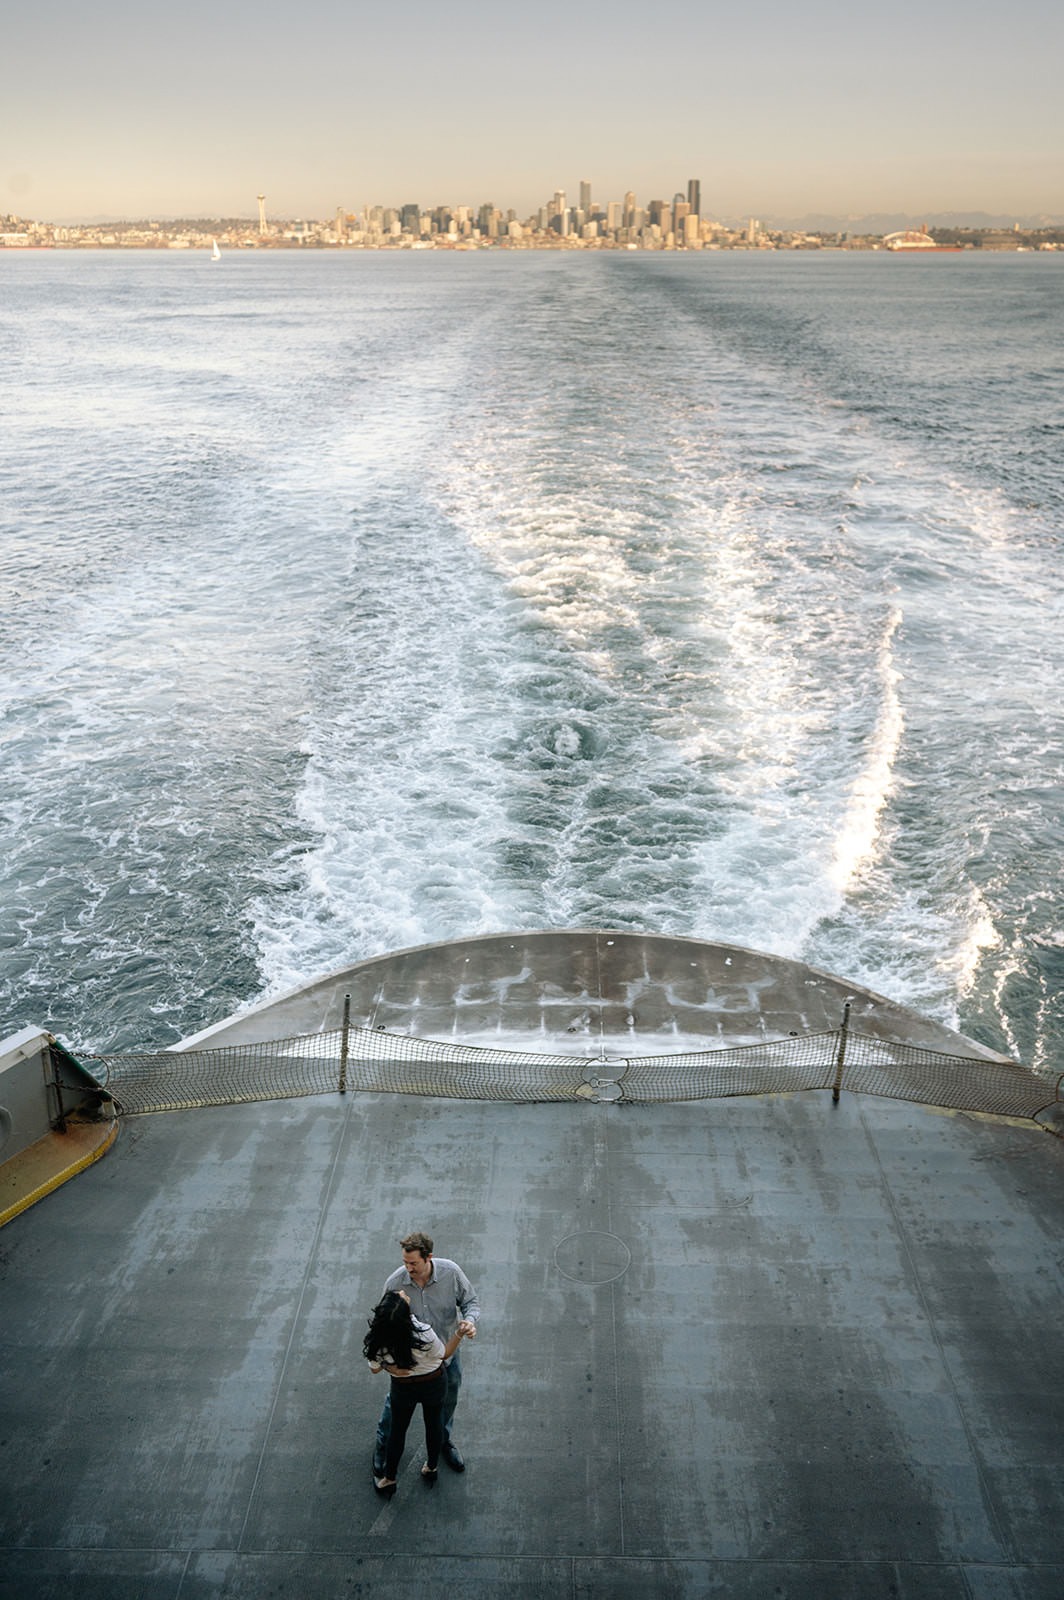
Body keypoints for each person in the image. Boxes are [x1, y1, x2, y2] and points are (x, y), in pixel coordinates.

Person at [373, 1231, 480, 1476]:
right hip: (409, 1365)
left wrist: (469, 1321)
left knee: (448, 1400)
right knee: (394, 1407)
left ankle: (443, 1441)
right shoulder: (395, 1284)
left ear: (429, 1257)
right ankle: (382, 1445)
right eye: (405, 1262)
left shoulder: (451, 1273)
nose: (407, 1268)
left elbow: (470, 1302)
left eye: (413, 1263)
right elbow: (382, 1325)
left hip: (445, 1359)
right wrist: (390, 1367)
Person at [364, 1289, 471, 1493]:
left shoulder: (377, 1339)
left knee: (398, 1430)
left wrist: (390, 1367)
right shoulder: (423, 1332)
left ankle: (389, 1479)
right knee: (433, 1424)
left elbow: (375, 1368)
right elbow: (444, 1354)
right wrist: (459, 1333)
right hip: (433, 1383)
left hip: (403, 1388)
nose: (404, 1292)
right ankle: (431, 1467)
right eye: (404, 1297)